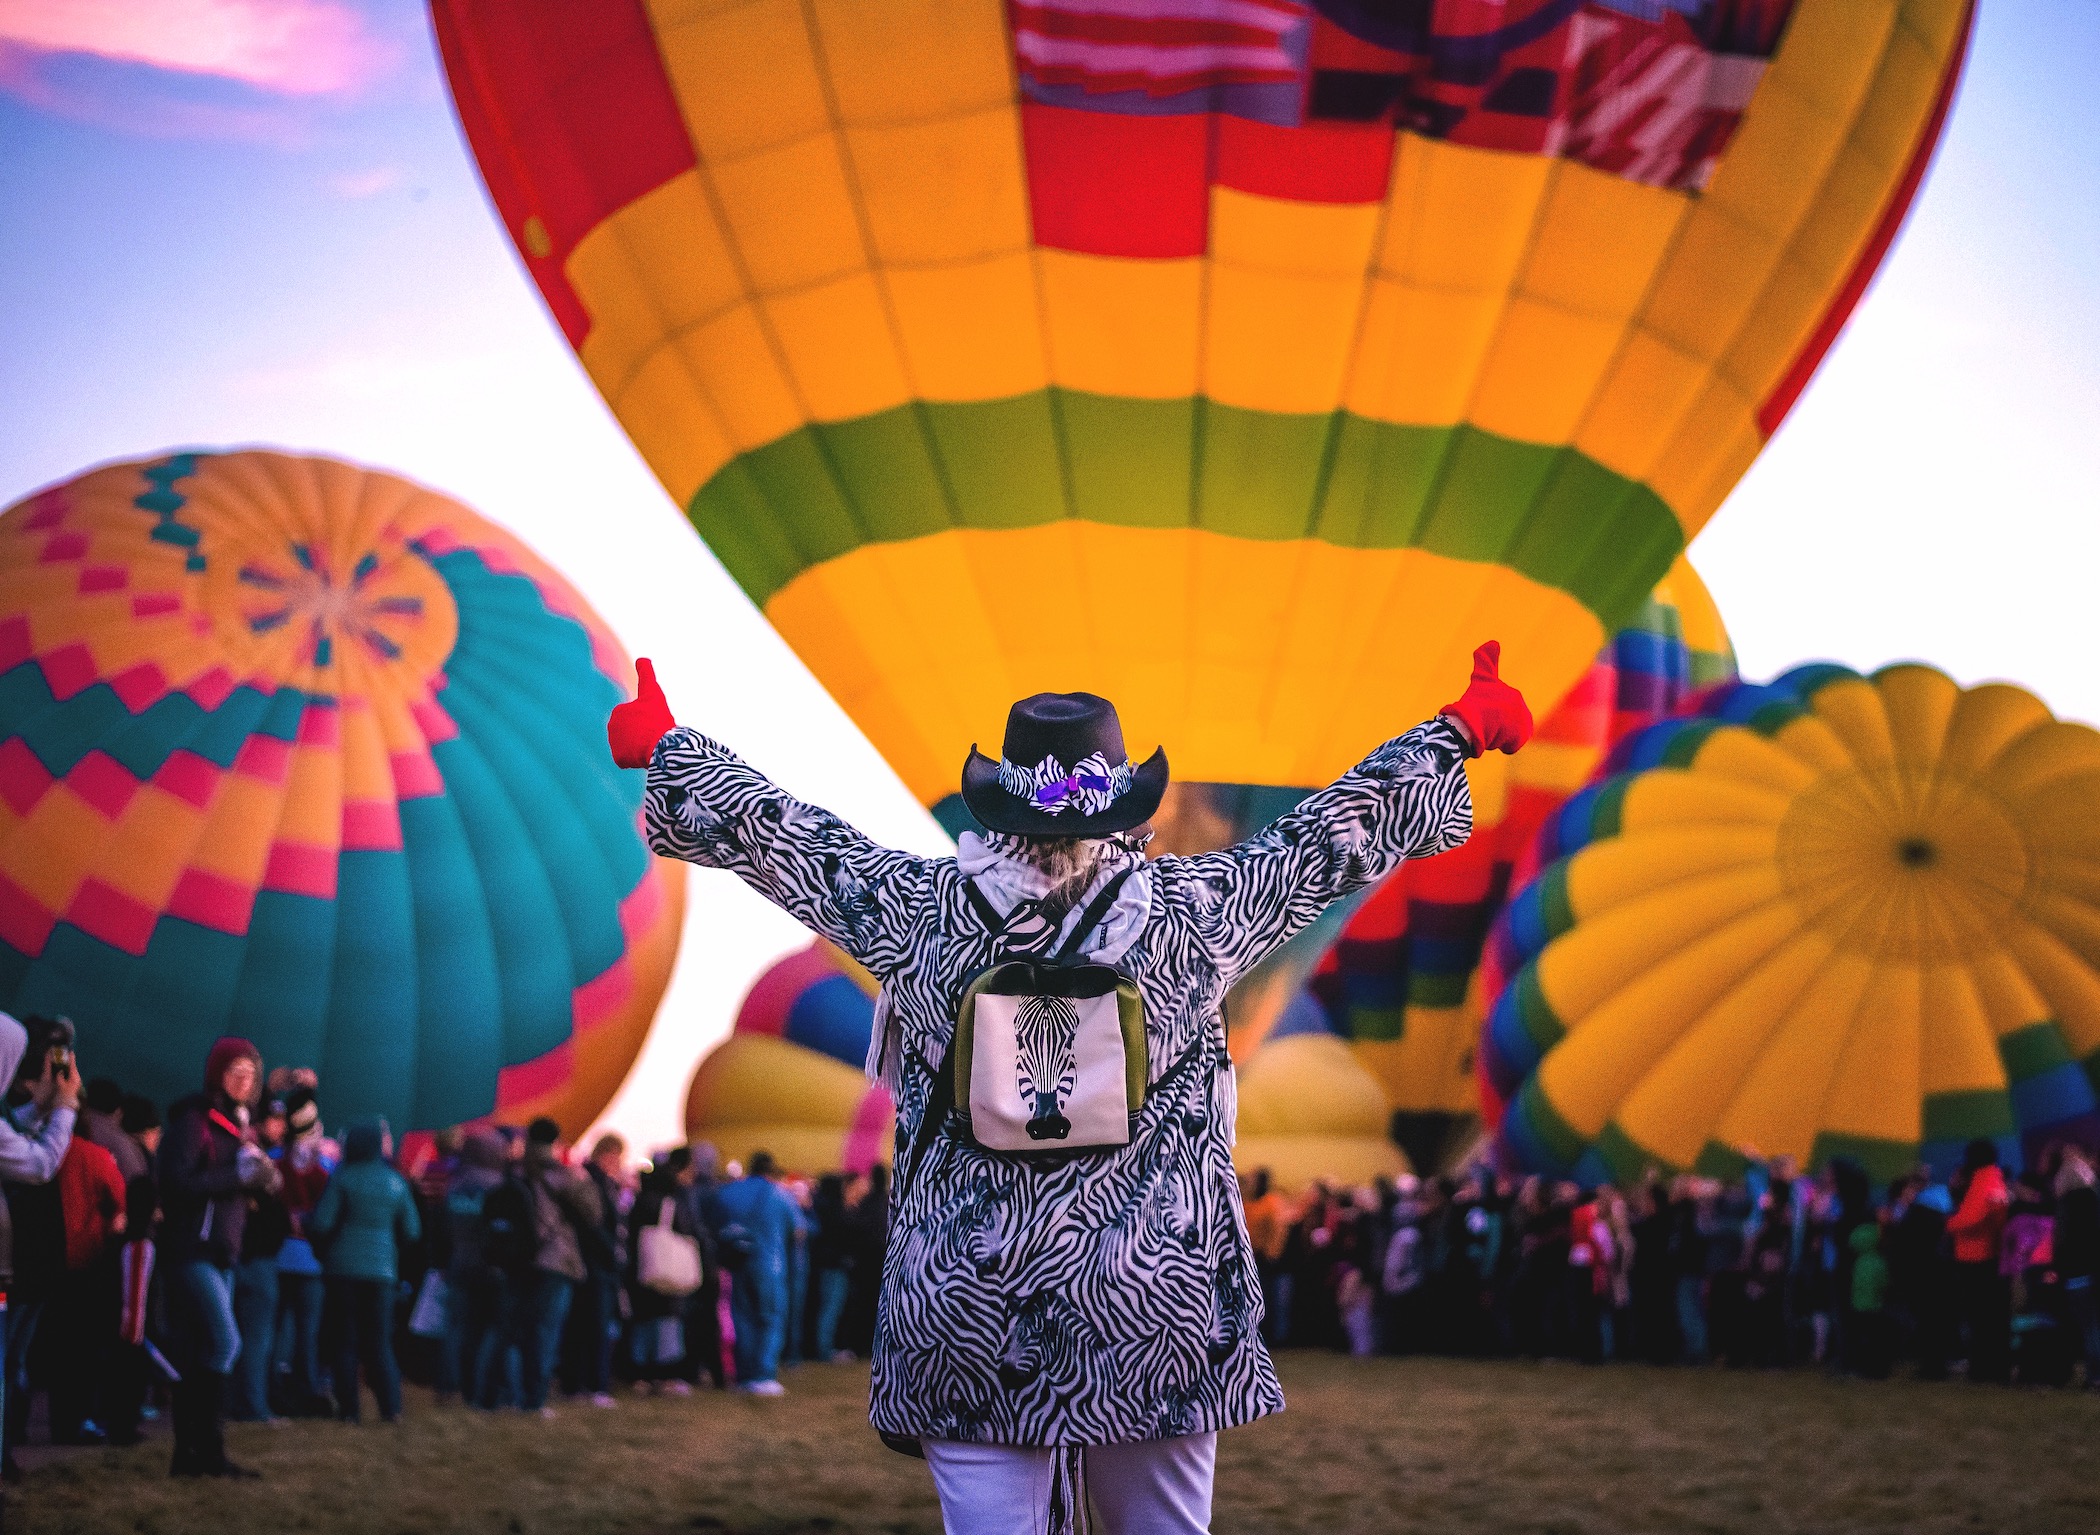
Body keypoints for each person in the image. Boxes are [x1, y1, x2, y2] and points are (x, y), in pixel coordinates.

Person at [609, 639, 1523, 1534]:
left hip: (968, 1300)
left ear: (1002, 805)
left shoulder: (919, 912)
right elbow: (1327, 838)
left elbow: (792, 838)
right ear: (1126, 815)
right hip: (1153, 1298)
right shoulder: (1192, 916)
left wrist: (670, 747)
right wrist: (1453, 731)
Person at [158, 1036, 278, 1477]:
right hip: (194, 1249)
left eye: (250, 1074)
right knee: (226, 1343)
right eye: (236, 1073)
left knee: (204, 1348)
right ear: (218, 1075)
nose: (245, 1082)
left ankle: (193, 1456)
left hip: (222, 1252)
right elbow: (175, 1183)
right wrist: (235, 1177)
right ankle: (206, 1452)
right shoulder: (196, 1123)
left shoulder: (236, 1127)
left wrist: (261, 1182)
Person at [0, 1014, 80, 1493]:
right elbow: (37, 1162)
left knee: (11, 1357)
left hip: (15, 1265)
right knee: (7, 1359)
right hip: (8, 1267)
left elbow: (13, 1133)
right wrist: (66, 1110)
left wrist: (51, 1104)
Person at [308, 1117, 420, 1423]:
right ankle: (391, 1409)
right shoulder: (396, 1181)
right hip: (383, 1272)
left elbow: (322, 1223)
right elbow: (412, 1230)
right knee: (380, 1341)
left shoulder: (343, 1178)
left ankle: (349, 1411)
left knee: (345, 1341)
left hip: (342, 1271)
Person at [513, 1118, 603, 1417]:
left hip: (518, 1259)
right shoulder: (559, 1174)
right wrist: (583, 1177)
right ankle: (534, 1400)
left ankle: (510, 1393)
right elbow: (593, 1214)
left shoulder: (514, 1170)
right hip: (555, 1258)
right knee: (545, 1330)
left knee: (518, 1330)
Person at [709, 1150, 801, 1395]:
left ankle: (744, 1374)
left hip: (738, 1263)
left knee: (742, 1318)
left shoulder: (729, 1192)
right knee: (770, 1319)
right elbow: (799, 1229)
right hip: (771, 1265)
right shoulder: (779, 1194)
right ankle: (763, 1374)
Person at [629, 1147, 704, 1392]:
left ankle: (639, 1375)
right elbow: (689, 1233)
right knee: (667, 1325)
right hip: (665, 1272)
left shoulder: (640, 1202)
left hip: (640, 1272)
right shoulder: (670, 1205)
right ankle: (666, 1376)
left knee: (643, 1322)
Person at [1947, 1138, 2012, 1382]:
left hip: (1977, 1258)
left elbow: (1972, 1217)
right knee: (1989, 1317)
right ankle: (1991, 1368)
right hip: (1985, 1255)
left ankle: (1984, 1369)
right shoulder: (1993, 1179)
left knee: (1981, 1318)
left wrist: (1949, 1224)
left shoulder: (1985, 1179)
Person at [571, 1132, 628, 1408]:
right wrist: (613, 1252)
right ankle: (596, 1385)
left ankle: (579, 1383)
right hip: (597, 1265)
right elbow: (596, 1225)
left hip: (588, 1263)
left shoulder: (588, 1179)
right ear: (608, 1155)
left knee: (583, 1327)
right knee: (596, 1326)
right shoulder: (596, 1183)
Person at [808, 1173, 856, 1362]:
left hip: (824, 1265)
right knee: (831, 1308)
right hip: (835, 1265)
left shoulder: (819, 1209)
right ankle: (824, 1349)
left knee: (824, 1307)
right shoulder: (836, 1210)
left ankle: (821, 1347)